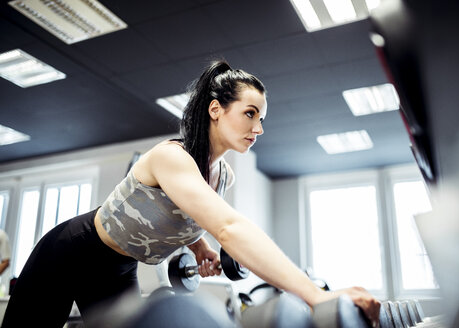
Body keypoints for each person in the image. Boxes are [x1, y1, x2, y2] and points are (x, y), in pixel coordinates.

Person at [2, 60, 380, 327]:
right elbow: (230, 227)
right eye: (250, 113)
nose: (259, 127)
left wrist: (199, 248)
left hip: (118, 269)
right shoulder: (171, 158)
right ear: (216, 109)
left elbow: (198, 217)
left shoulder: (222, 176)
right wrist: (316, 296)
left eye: (262, 117)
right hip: (70, 251)